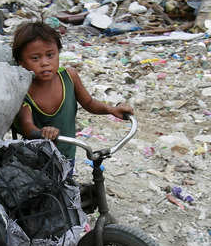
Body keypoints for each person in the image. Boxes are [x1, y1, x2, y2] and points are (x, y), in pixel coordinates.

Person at [13, 22, 133, 162]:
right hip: (37, 160)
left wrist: (112, 110)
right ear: (21, 61)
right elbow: (27, 126)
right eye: (35, 58)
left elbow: (89, 103)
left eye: (50, 55)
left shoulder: (69, 77)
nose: (45, 62)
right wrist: (42, 132)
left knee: (67, 179)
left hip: (67, 155)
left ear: (58, 53)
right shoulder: (23, 90)